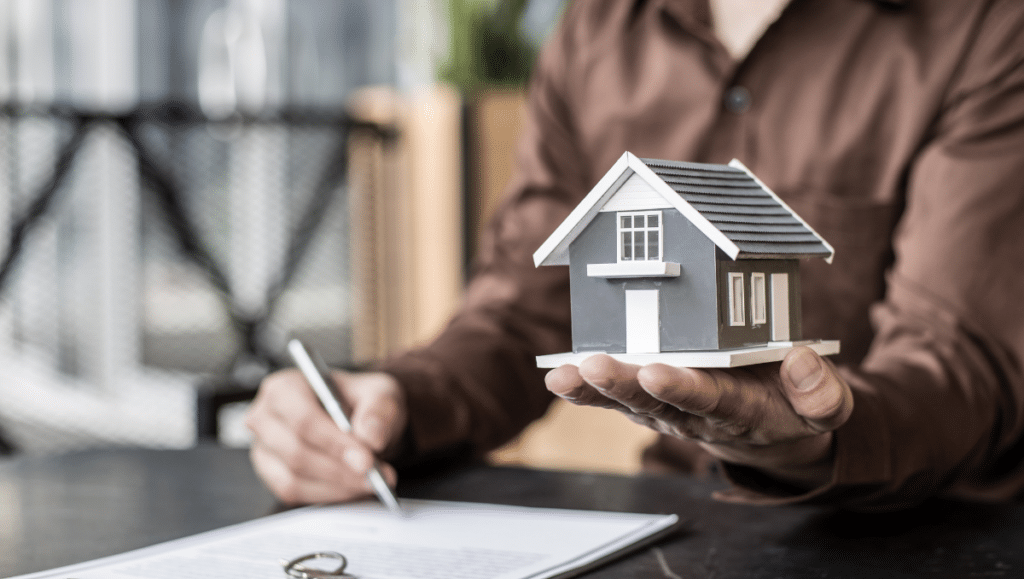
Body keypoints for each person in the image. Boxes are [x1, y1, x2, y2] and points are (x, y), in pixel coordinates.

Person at [246, 0, 1024, 511]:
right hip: (672, 553)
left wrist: (809, 438)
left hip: (931, 561)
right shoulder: (595, 26)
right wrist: (394, 399)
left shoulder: (987, 24)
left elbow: (965, 358)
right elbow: (526, 306)